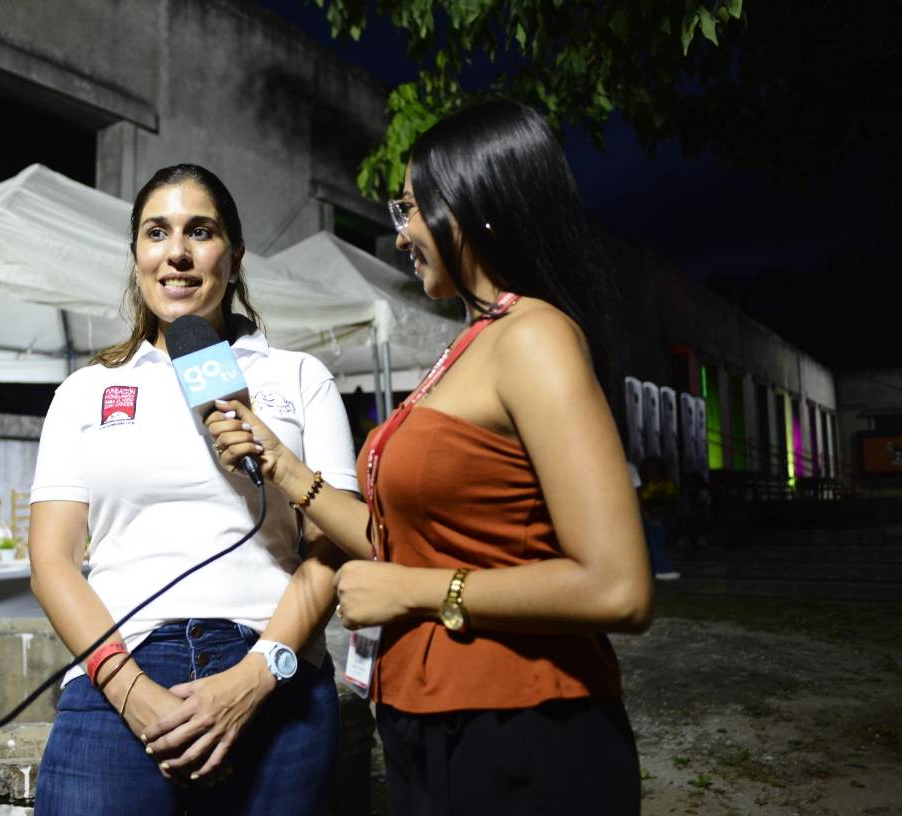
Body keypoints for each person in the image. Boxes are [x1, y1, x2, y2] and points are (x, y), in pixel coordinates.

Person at [207, 100, 653, 814]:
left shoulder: (534, 337)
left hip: (523, 732)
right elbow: (400, 540)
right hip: (429, 728)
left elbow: (617, 588)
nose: (400, 233)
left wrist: (417, 592)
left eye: (411, 208)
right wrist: (283, 465)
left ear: (472, 205)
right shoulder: (469, 345)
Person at [28, 164, 358, 815]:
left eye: (199, 232)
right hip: (120, 667)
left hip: (276, 671)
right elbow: (52, 561)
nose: (176, 252)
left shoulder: (300, 377)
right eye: (157, 232)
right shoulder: (86, 390)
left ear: (233, 257)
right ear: (136, 257)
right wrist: (132, 693)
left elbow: (332, 547)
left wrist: (257, 677)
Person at [639, 457, 682, 579]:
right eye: (648, 468)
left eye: (653, 468)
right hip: (648, 516)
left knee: (657, 528)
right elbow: (641, 504)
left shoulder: (668, 484)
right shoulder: (644, 486)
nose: (651, 471)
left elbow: (672, 503)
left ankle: (660, 564)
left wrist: (659, 512)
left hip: (665, 515)